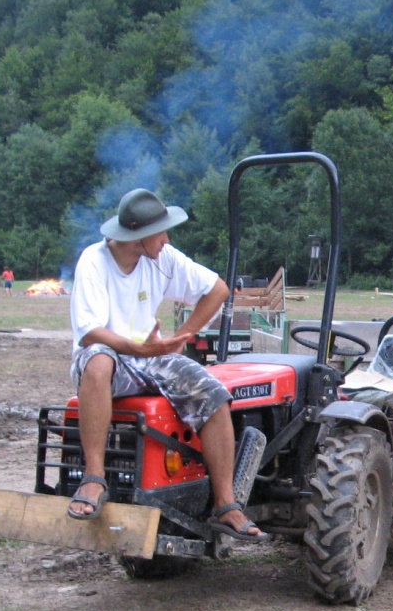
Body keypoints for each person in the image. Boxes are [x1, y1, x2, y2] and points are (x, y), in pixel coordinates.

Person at [65, 188, 267, 543]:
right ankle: (94, 479)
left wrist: (182, 337)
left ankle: (226, 505)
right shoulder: (93, 261)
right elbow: (89, 333)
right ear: (138, 237)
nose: (167, 238)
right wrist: (137, 347)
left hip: (151, 355)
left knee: (213, 393)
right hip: (111, 356)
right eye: (162, 231)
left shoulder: (163, 257)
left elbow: (217, 289)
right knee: (98, 361)